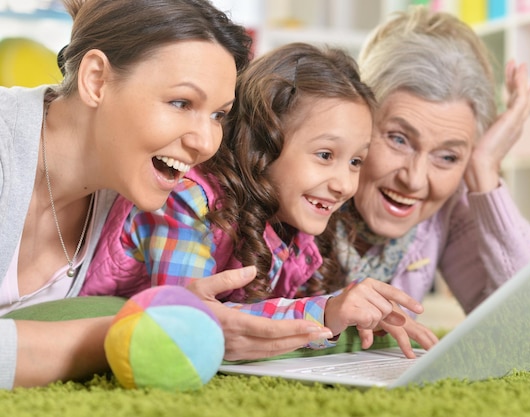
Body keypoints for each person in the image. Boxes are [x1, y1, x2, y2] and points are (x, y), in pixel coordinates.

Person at [0, 0, 332, 390]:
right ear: (96, 80)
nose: (206, 143)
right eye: (180, 103)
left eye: (218, 115)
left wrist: (177, 315)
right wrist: (143, 329)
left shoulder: (122, 198)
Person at [82, 42, 438, 356]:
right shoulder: (189, 199)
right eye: (325, 155)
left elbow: (272, 310)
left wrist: (360, 315)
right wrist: (327, 311)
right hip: (92, 333)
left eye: (356, 161)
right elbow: (183, 321)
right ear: (263, 146)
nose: (345, 185)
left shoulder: (293, 227)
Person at [334, 5, 530, 327]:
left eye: (448, 157)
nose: (415, 180)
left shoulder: (448, 209)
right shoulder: (308, 184)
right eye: (398, 139)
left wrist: (485, 170)